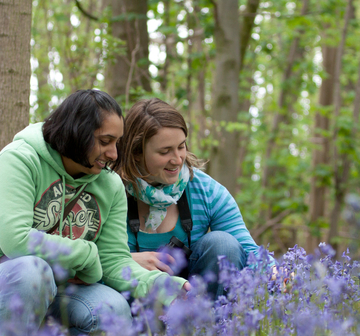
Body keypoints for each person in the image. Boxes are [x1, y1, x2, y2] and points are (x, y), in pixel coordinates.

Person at [0, 90, 188, 336]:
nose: (114, 153)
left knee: (114, 309)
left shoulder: (108, 186)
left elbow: (114, 262)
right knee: (32, 270)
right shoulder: (20, 159)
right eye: (105, 141)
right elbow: (16, 241)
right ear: (76, 132)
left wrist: (157, 285)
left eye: (117, 142)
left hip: (59, 294)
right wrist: (85, 256)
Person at [113, 98, 276, 299]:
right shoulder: (113, 191)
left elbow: (247, 251)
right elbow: (92, 261)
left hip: (194, 298)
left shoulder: (205, 190)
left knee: (223, 244)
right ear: (136, 153)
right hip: (134, 299)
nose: (177, 159)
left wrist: (277, 274)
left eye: (181, 147)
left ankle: (211, 326)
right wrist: (126, 261)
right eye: (165, 151)